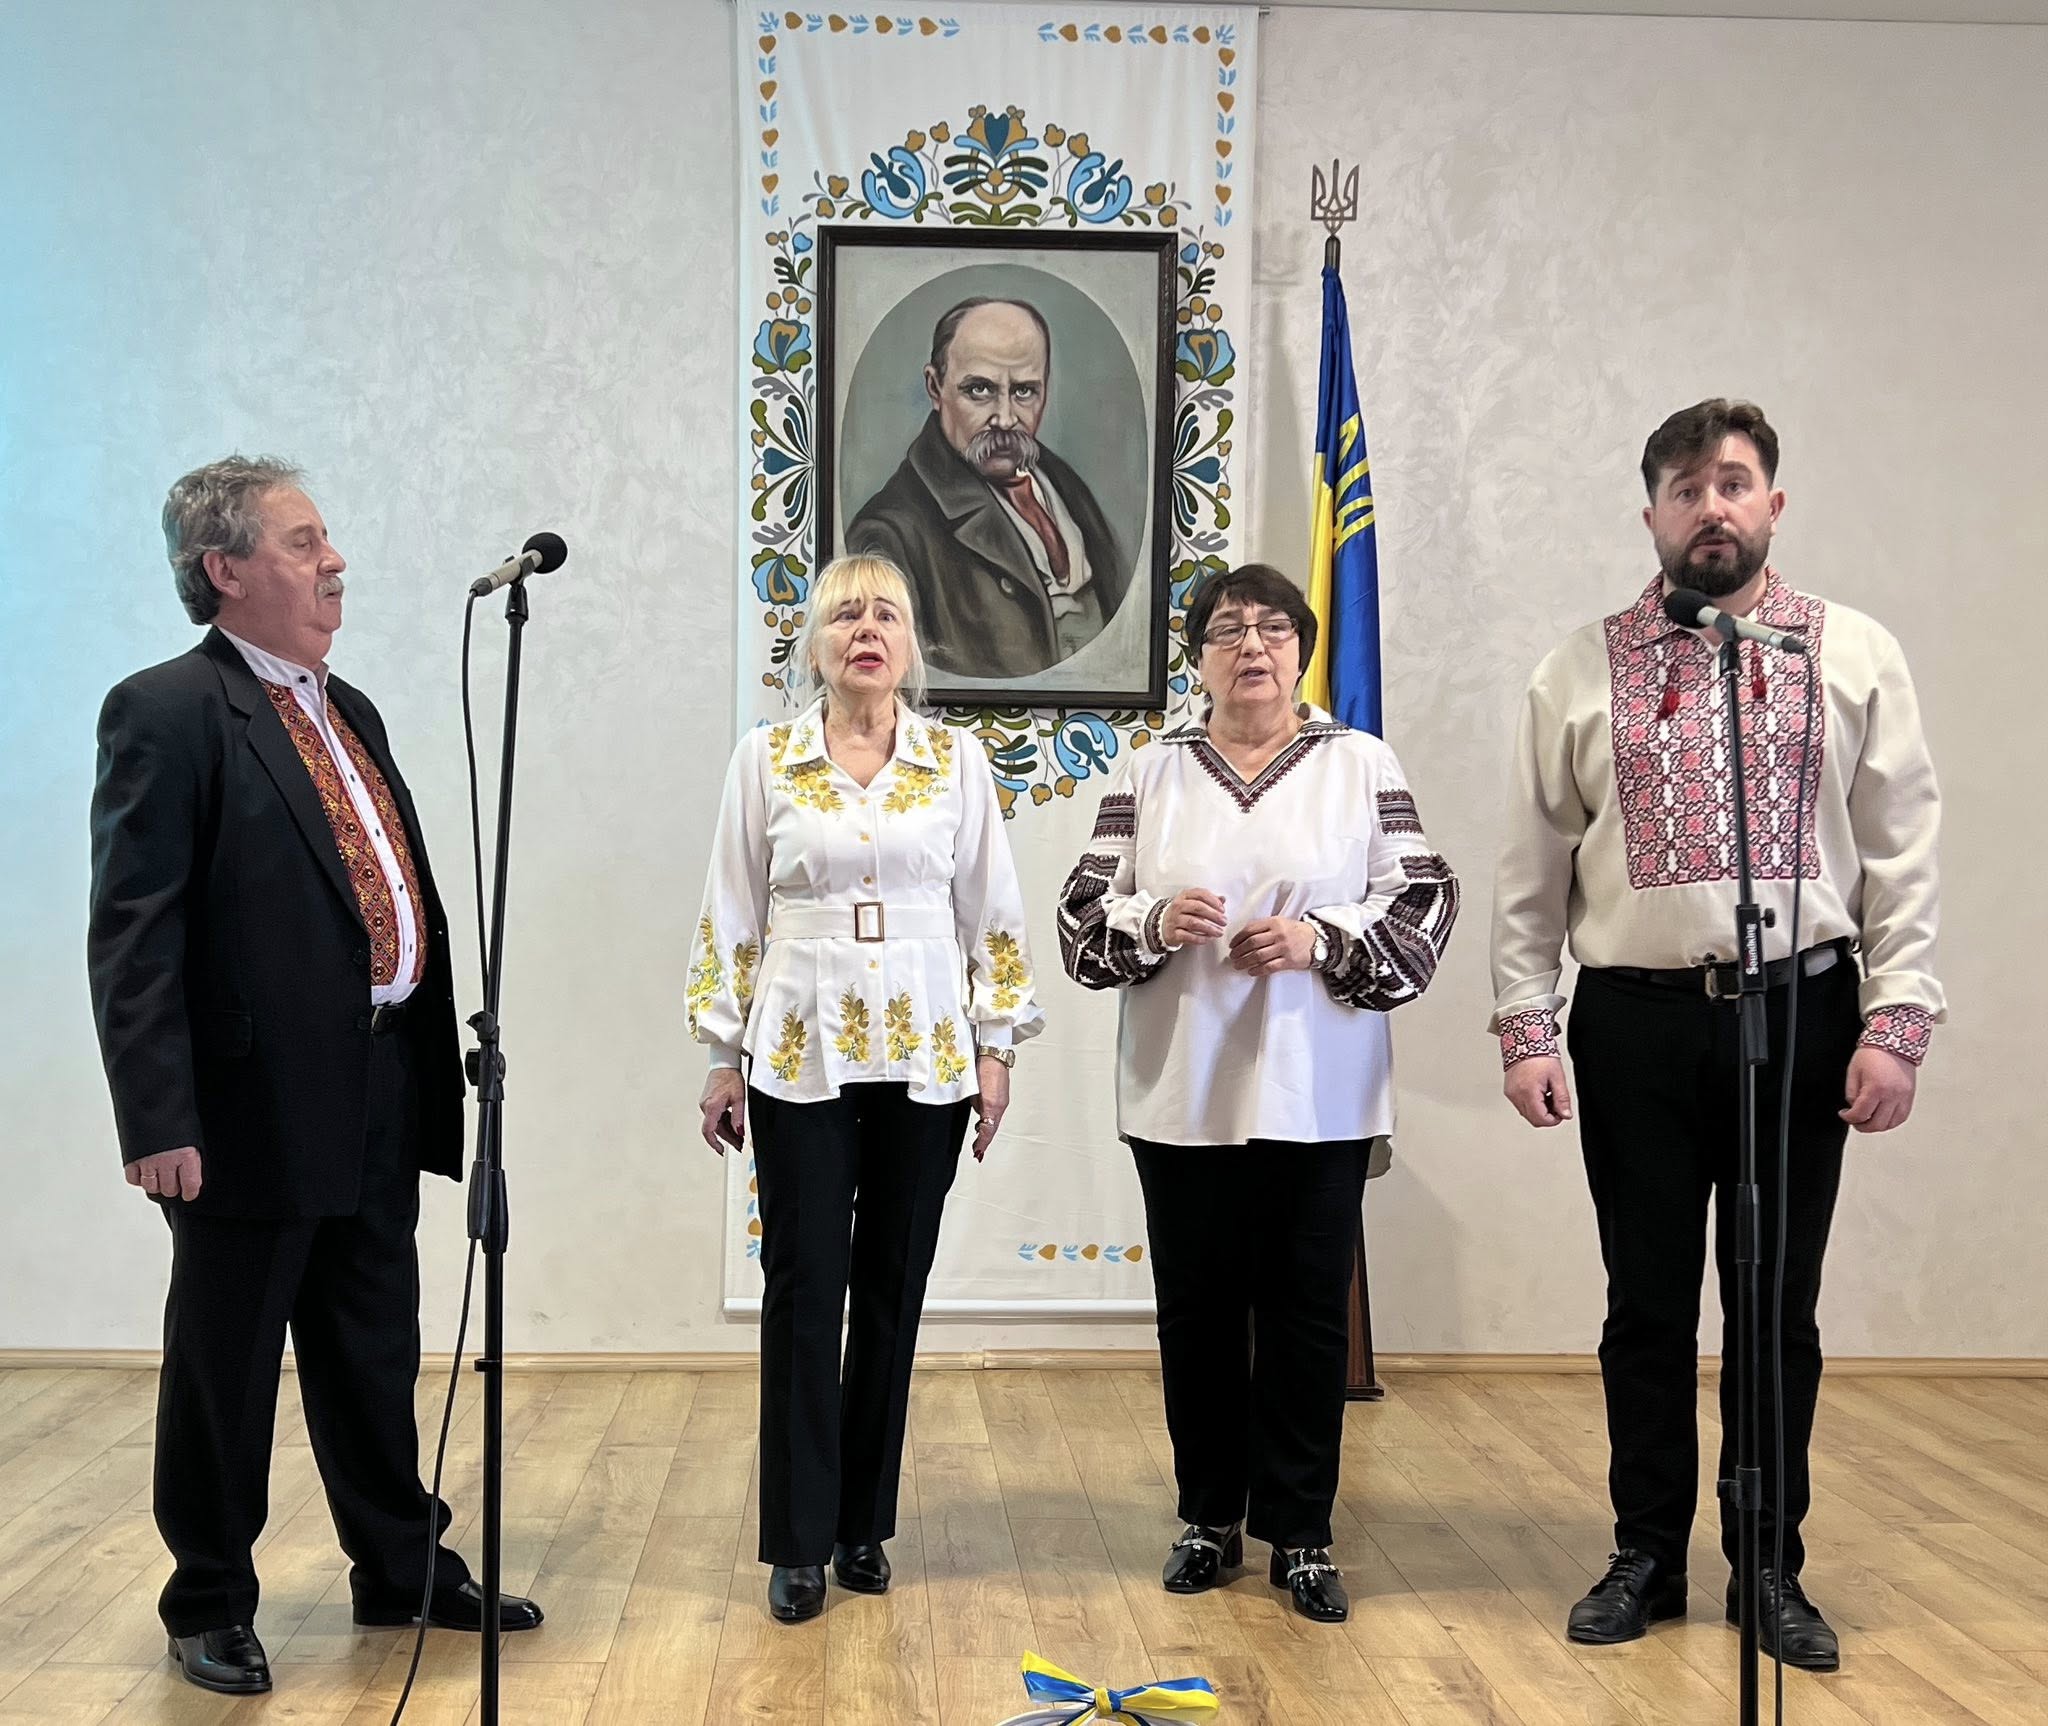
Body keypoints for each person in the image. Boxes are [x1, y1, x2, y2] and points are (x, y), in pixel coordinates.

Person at [1489, 399, 1944, 1668]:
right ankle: (1643, 1553)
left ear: (1772, 505)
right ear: (1649, 512)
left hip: (1798, 1010)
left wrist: (1896, 1018)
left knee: (1772, 1303)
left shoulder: (1846, 655)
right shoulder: (1577, 668)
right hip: (1632, 1021)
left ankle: (1766, 1564)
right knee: (1643, 1303)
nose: (1710, 508)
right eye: (1685, 488)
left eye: (1732, 483)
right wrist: (1525, 1021)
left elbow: (1901, 852)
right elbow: (1529, 865)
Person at [86, 457, 542, 1697]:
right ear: (225, 568)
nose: (334, 560)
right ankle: (209, 1599)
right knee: (225, 1365)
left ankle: (399, 1565)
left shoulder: (353, 710)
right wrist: (157, 1116)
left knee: (371, 1344)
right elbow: (133, 932)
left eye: (326, 537)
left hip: (376, 1083)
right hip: (243, 1109)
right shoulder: (167, 710)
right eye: (302, 541)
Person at [1058, 563, 1458, 1624]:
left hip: (1316, 1093)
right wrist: (1152, 922)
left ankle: (1302, 1532)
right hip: (1180, 1089)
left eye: (1274, 629)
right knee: (1195, 1315)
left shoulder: (1357, 762)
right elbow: (1080, 915)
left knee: (1305, 1316)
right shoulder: (1150, 769)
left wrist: (1320, 938)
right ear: (1197, 657)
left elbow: (1423, 896)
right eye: (1227, 629)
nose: (1252, 647)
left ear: (1302, 649)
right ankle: (1207, 1518)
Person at [690, 554, 1043, 1624]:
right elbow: (730, 907)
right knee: (805, 1286)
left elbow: (991, 906)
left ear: (910, 641)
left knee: (892, 1284)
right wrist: (721, 1053)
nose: (866, 629)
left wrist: (996, 1046)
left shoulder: (954, 760)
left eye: (886, 611)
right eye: (845, 613)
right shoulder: (766, 758)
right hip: (799, 1050)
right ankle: (797, 1539)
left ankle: (861, 1525)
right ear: (816, 642)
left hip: (928, 1052)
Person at [846, 296, 1126, 680]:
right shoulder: (890, 533)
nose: (1006, 419)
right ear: (935, 387)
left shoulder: (1063, 482)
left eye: (1024, 391)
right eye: (980, 389)